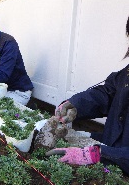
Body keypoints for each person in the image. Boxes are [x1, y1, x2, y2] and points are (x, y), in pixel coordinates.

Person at [46, 17, 129, 175]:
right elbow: (107, 93)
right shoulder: (125, 74)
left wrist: (98, 154)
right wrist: (75, 105)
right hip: (110, 146)